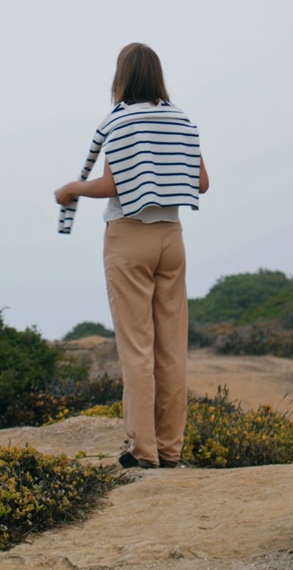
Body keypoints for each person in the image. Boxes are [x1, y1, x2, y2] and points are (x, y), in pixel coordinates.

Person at [55, 42, 209, 469]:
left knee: (137, 347)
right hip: (172, 236)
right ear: (158, 75)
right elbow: (202, 183)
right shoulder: (182, 119)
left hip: (129, 235)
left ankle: (144, 451)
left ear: (121, 76)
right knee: (172, 348)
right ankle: (171, 449)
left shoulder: (120, 122)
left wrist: (71, 189)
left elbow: (112, 185)